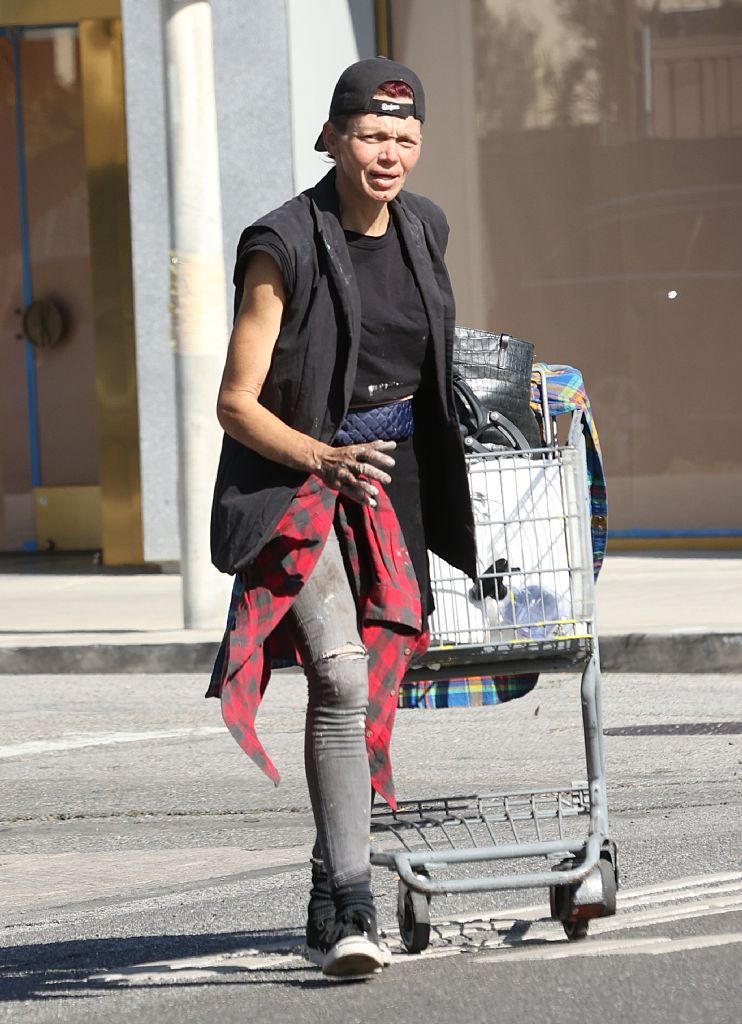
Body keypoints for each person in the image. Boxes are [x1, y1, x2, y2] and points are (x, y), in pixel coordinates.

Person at [208, 57, 476, 979]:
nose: (389, 153)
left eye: (405, 138)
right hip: (301, 481)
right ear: (330, 136)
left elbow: (430, 354)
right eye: (370, 135)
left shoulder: (425, 228)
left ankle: (332, 879)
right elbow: (236, 402)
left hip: (390, 485)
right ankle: (357, 908)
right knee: (341, 671)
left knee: (384, 673)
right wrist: (323, 457)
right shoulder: (280, 243)